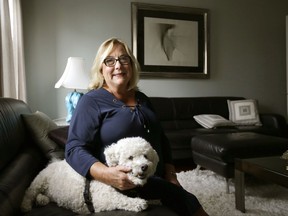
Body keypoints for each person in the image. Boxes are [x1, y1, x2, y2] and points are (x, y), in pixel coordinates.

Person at [65, 38, 209, 216]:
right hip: (125, 182)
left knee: (188, 202)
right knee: (188, 204)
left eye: (124, 59)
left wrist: (171, 175)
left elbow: (161, 139)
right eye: (109, 60)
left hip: (156, 177)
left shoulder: (142, 98)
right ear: (101, 68)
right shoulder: (91, 101)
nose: (118, 65)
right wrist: (107, 175)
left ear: (131, 66)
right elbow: (74, 149)